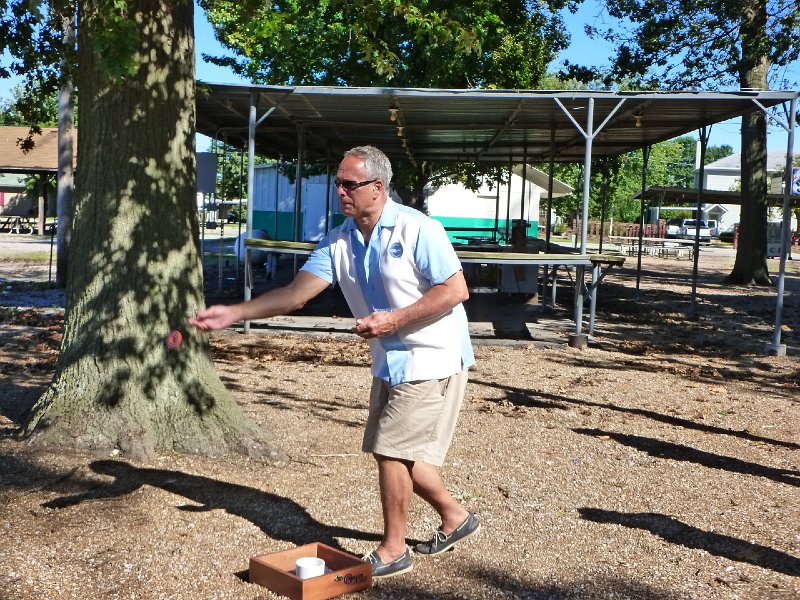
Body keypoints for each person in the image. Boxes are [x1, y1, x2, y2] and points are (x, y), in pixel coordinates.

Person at [190, 145, 479, 578]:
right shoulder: (340, 237)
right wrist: (235, 312)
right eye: (338, 183)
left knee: (390, 451)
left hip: (432, 357)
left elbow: (455, 291)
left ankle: (394, 549)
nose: (340, 191)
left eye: (349, 184)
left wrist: (394, 320)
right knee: (405, 456)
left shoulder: (419, 229)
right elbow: (295, 294)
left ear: (378, 188)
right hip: (390, 360)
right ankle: (457, 517)